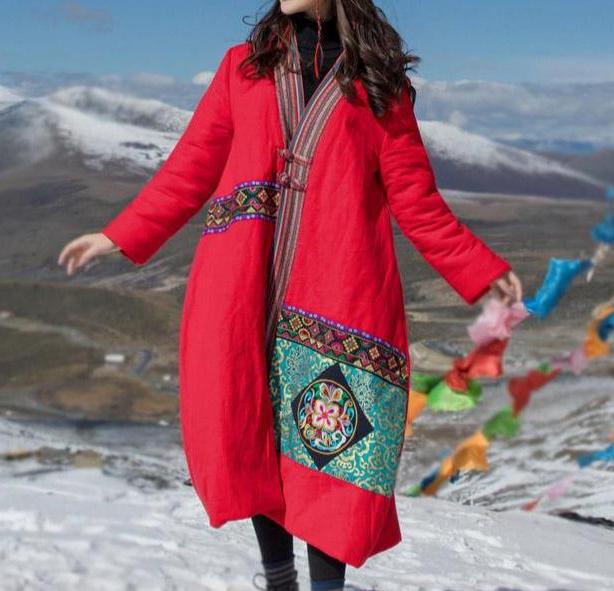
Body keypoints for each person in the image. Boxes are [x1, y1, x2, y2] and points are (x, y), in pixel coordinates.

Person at [58, 1, 523, 590]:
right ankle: (278, 580)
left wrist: (478, 267)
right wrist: (118, 235)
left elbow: (417, 201)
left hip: (342, 299)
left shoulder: (379, 85)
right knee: (256, 443)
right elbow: (191, 167)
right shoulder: (243, 68)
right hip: (241, 293)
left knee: (335, 462)